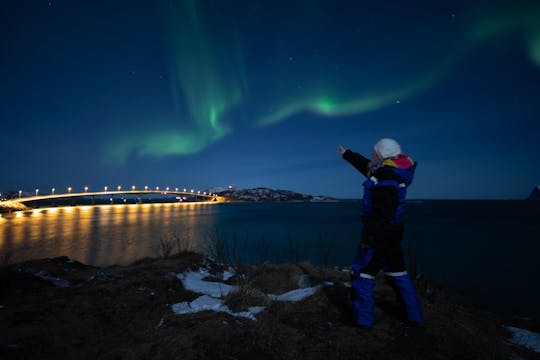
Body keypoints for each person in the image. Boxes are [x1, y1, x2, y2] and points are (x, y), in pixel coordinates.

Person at [338, 138, 423, 328]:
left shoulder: (386, 177)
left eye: (374, 152)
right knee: (397, 272)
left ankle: (363, 321)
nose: (371, 154)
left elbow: (384, 212)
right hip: (393, 233)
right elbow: (366, 168)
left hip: (380, 233)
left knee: (363, 273)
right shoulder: (390, 171)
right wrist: (347, 155)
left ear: (382, 154)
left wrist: (370, 239)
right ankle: (414, 317)